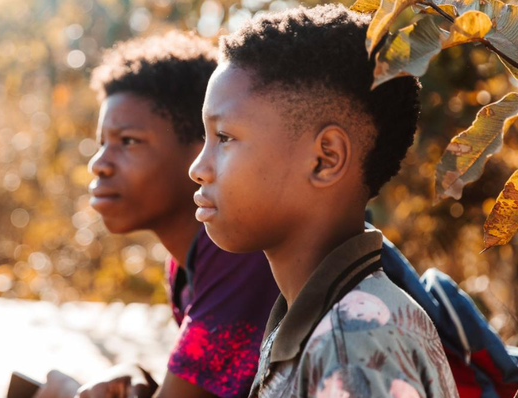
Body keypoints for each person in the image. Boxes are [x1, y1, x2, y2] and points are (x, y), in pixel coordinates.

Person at [189, 5, 459, 397]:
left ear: (325, 159)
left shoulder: (352, 347)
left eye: (224, 137)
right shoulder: (318, 315)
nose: (198, 168)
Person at [34, 32, 279, 398]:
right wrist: (135, 374)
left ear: (201, 150)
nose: (98, 164)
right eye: (101, 143)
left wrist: (64, 391)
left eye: (128, 141)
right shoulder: (185, 262)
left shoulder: (240, 253)